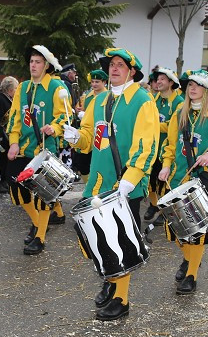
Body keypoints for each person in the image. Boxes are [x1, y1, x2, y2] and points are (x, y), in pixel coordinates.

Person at [62, 47, 158, 320]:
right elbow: (90, 137)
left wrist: (128, 181)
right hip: (98, 180)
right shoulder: (99, 99)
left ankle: (122, 299)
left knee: (122, 241)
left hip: (126, 182)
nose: (114, 68)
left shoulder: (142, 100)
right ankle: (110, 279)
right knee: (100, 239)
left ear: (132, 70)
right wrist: (75, 137)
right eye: (111, 65)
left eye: (120, 65)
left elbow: (147, 145)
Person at [157, 70, 208, 293]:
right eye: (190, 84)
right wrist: (166, 164)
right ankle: (189, 258)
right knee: (180, 228)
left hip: (203, 181)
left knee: (198, 229)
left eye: (198, 85)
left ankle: (192, 273)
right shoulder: (179, 115)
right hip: (179, 177)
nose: (192, 88)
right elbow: (170, 146)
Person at [6, 45, 71, 255]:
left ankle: (40, 237)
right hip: (23, 149)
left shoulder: (56, 87)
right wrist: (13, 142)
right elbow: (15, 116)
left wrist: (54, 126)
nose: (33, 65)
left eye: (38, 62)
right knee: (16, 191)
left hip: (44, 148)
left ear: (46, 65)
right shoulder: (23, 87)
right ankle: (37, 223)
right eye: (32, 61)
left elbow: (64, 115)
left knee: (43, 195)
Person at [144, 67, 183, 223]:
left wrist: (152, 125)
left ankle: (165, 211)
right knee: (150, 181)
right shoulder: (154, 99)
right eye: (157, 79)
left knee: (165, 183)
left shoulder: (179, 102)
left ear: (171, 82)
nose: (158, 82)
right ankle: (154, 205)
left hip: (168, 150)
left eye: (162, 79)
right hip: (153, 147)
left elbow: (174, 126)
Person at [71, 70, 107, 183]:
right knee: (84, 166)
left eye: (97, 82)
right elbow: (80, 109)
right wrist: (79, 111)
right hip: (87, 134)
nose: (94, 84)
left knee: (99, 166)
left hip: (101, 135)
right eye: (92, 82)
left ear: (104, 82)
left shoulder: (108, 96)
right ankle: (88, 186)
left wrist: (85, 115)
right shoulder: (87, 96)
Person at [0, 76, 16, 194]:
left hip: (6, 135)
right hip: (1, 136)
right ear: (9, 89)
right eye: (15, 88)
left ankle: (4, 181)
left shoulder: (7, 99)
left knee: (6, 160)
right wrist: (0, 137)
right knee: (1, 160)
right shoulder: (0, 100)